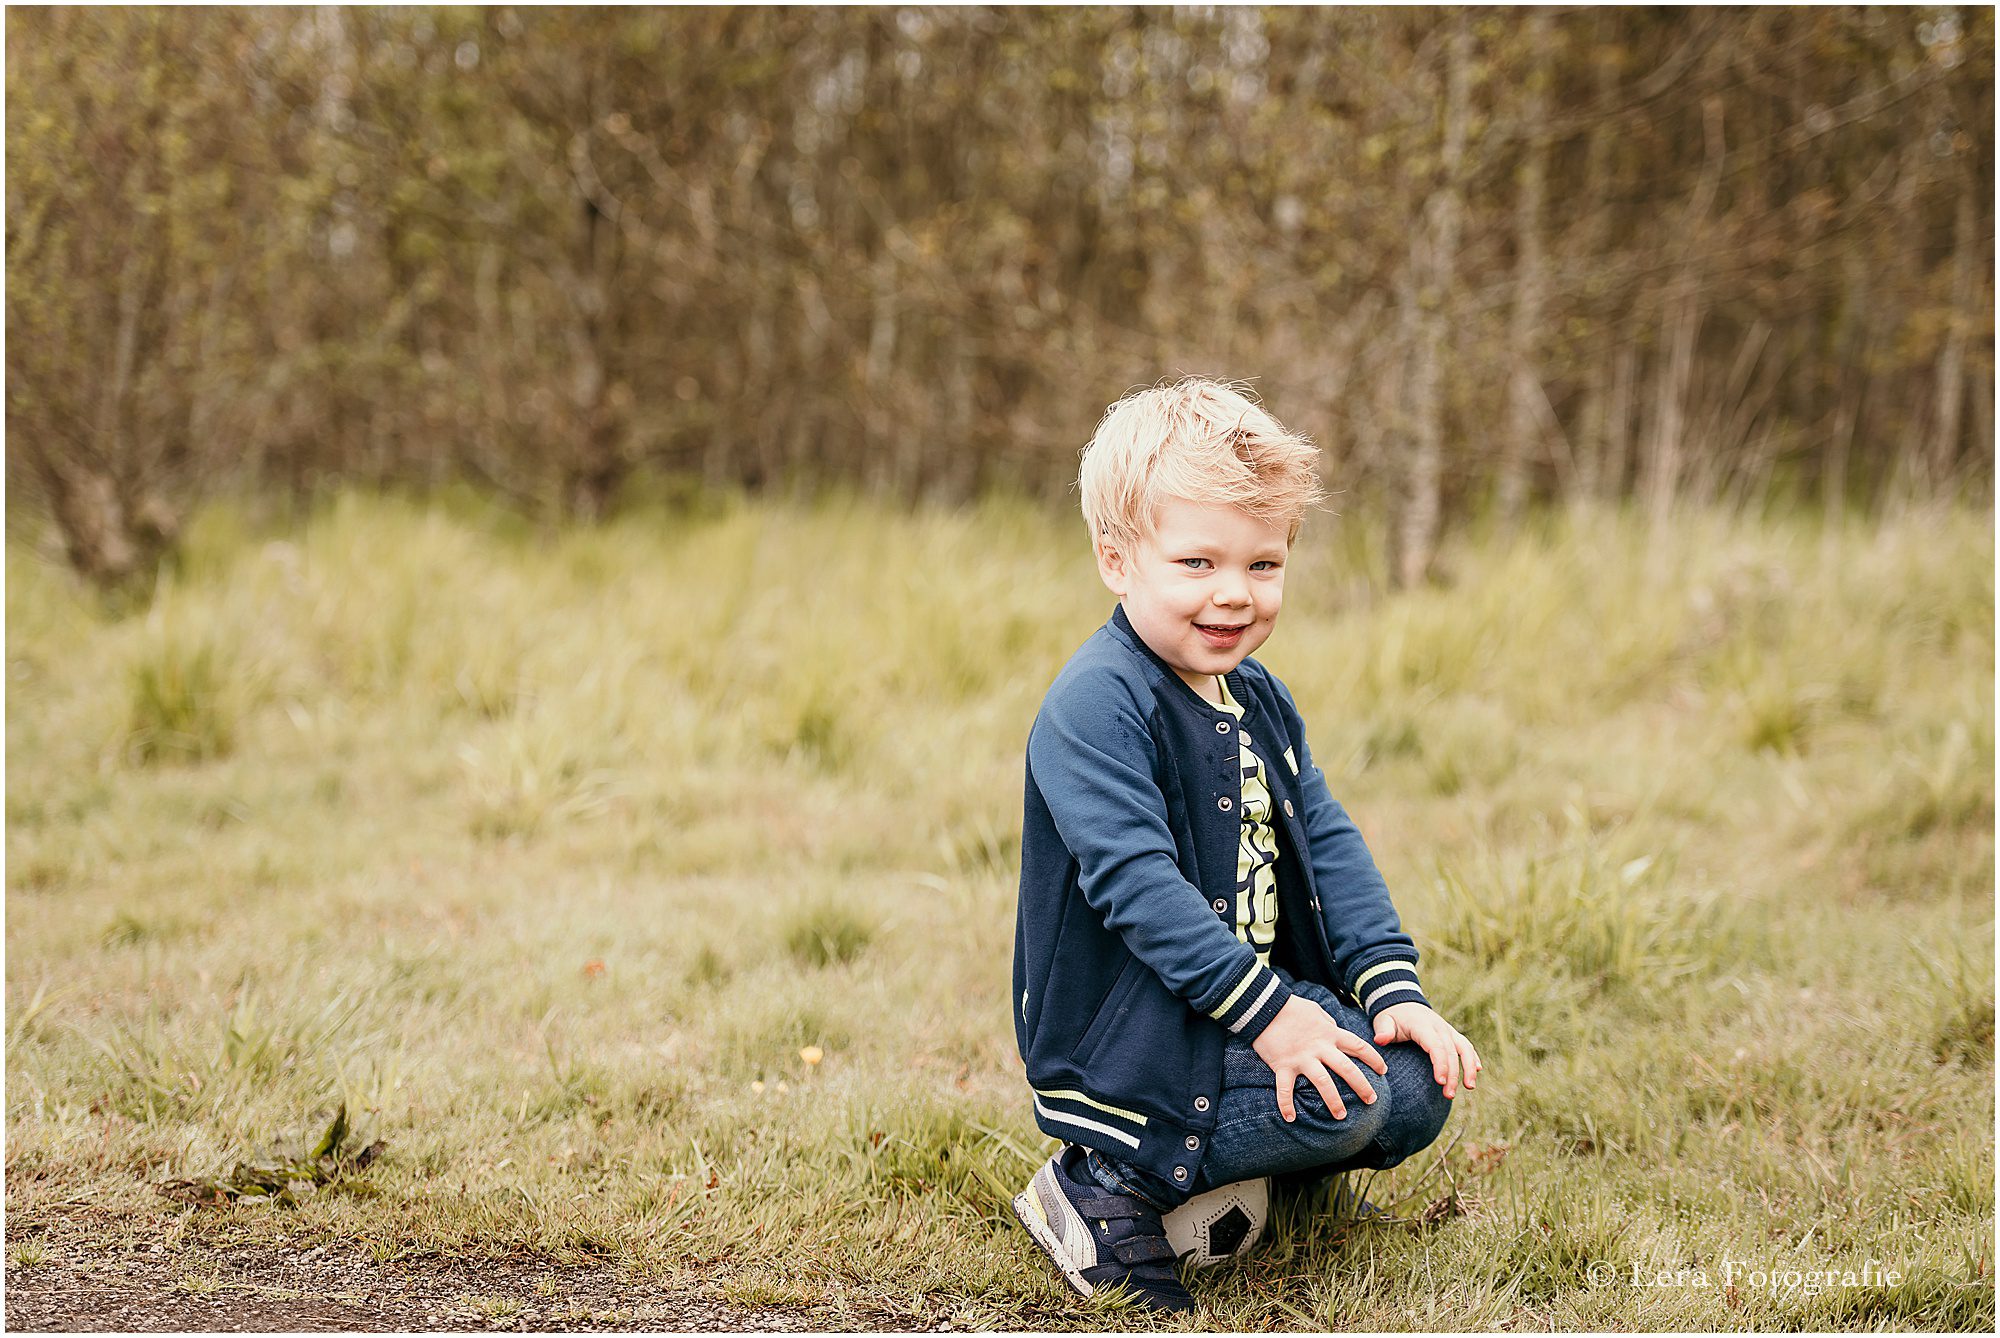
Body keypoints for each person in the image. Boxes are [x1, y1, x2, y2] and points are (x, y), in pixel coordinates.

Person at [1010, 377, 1481, 1314]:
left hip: (1241, 1011)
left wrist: (1393, 989)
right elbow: (1138, 888)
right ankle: (1101, 1184)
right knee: (1347, 1096)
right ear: (1117, 560)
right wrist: (1275, 1021)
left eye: (1263, 565)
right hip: (1134, 1041)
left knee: (1416, 1085)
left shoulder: (1256, 694)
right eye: (1196, 563)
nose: (1233, 594)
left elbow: (1331, 840)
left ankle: (1270, 1184)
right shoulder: (1097, 704)